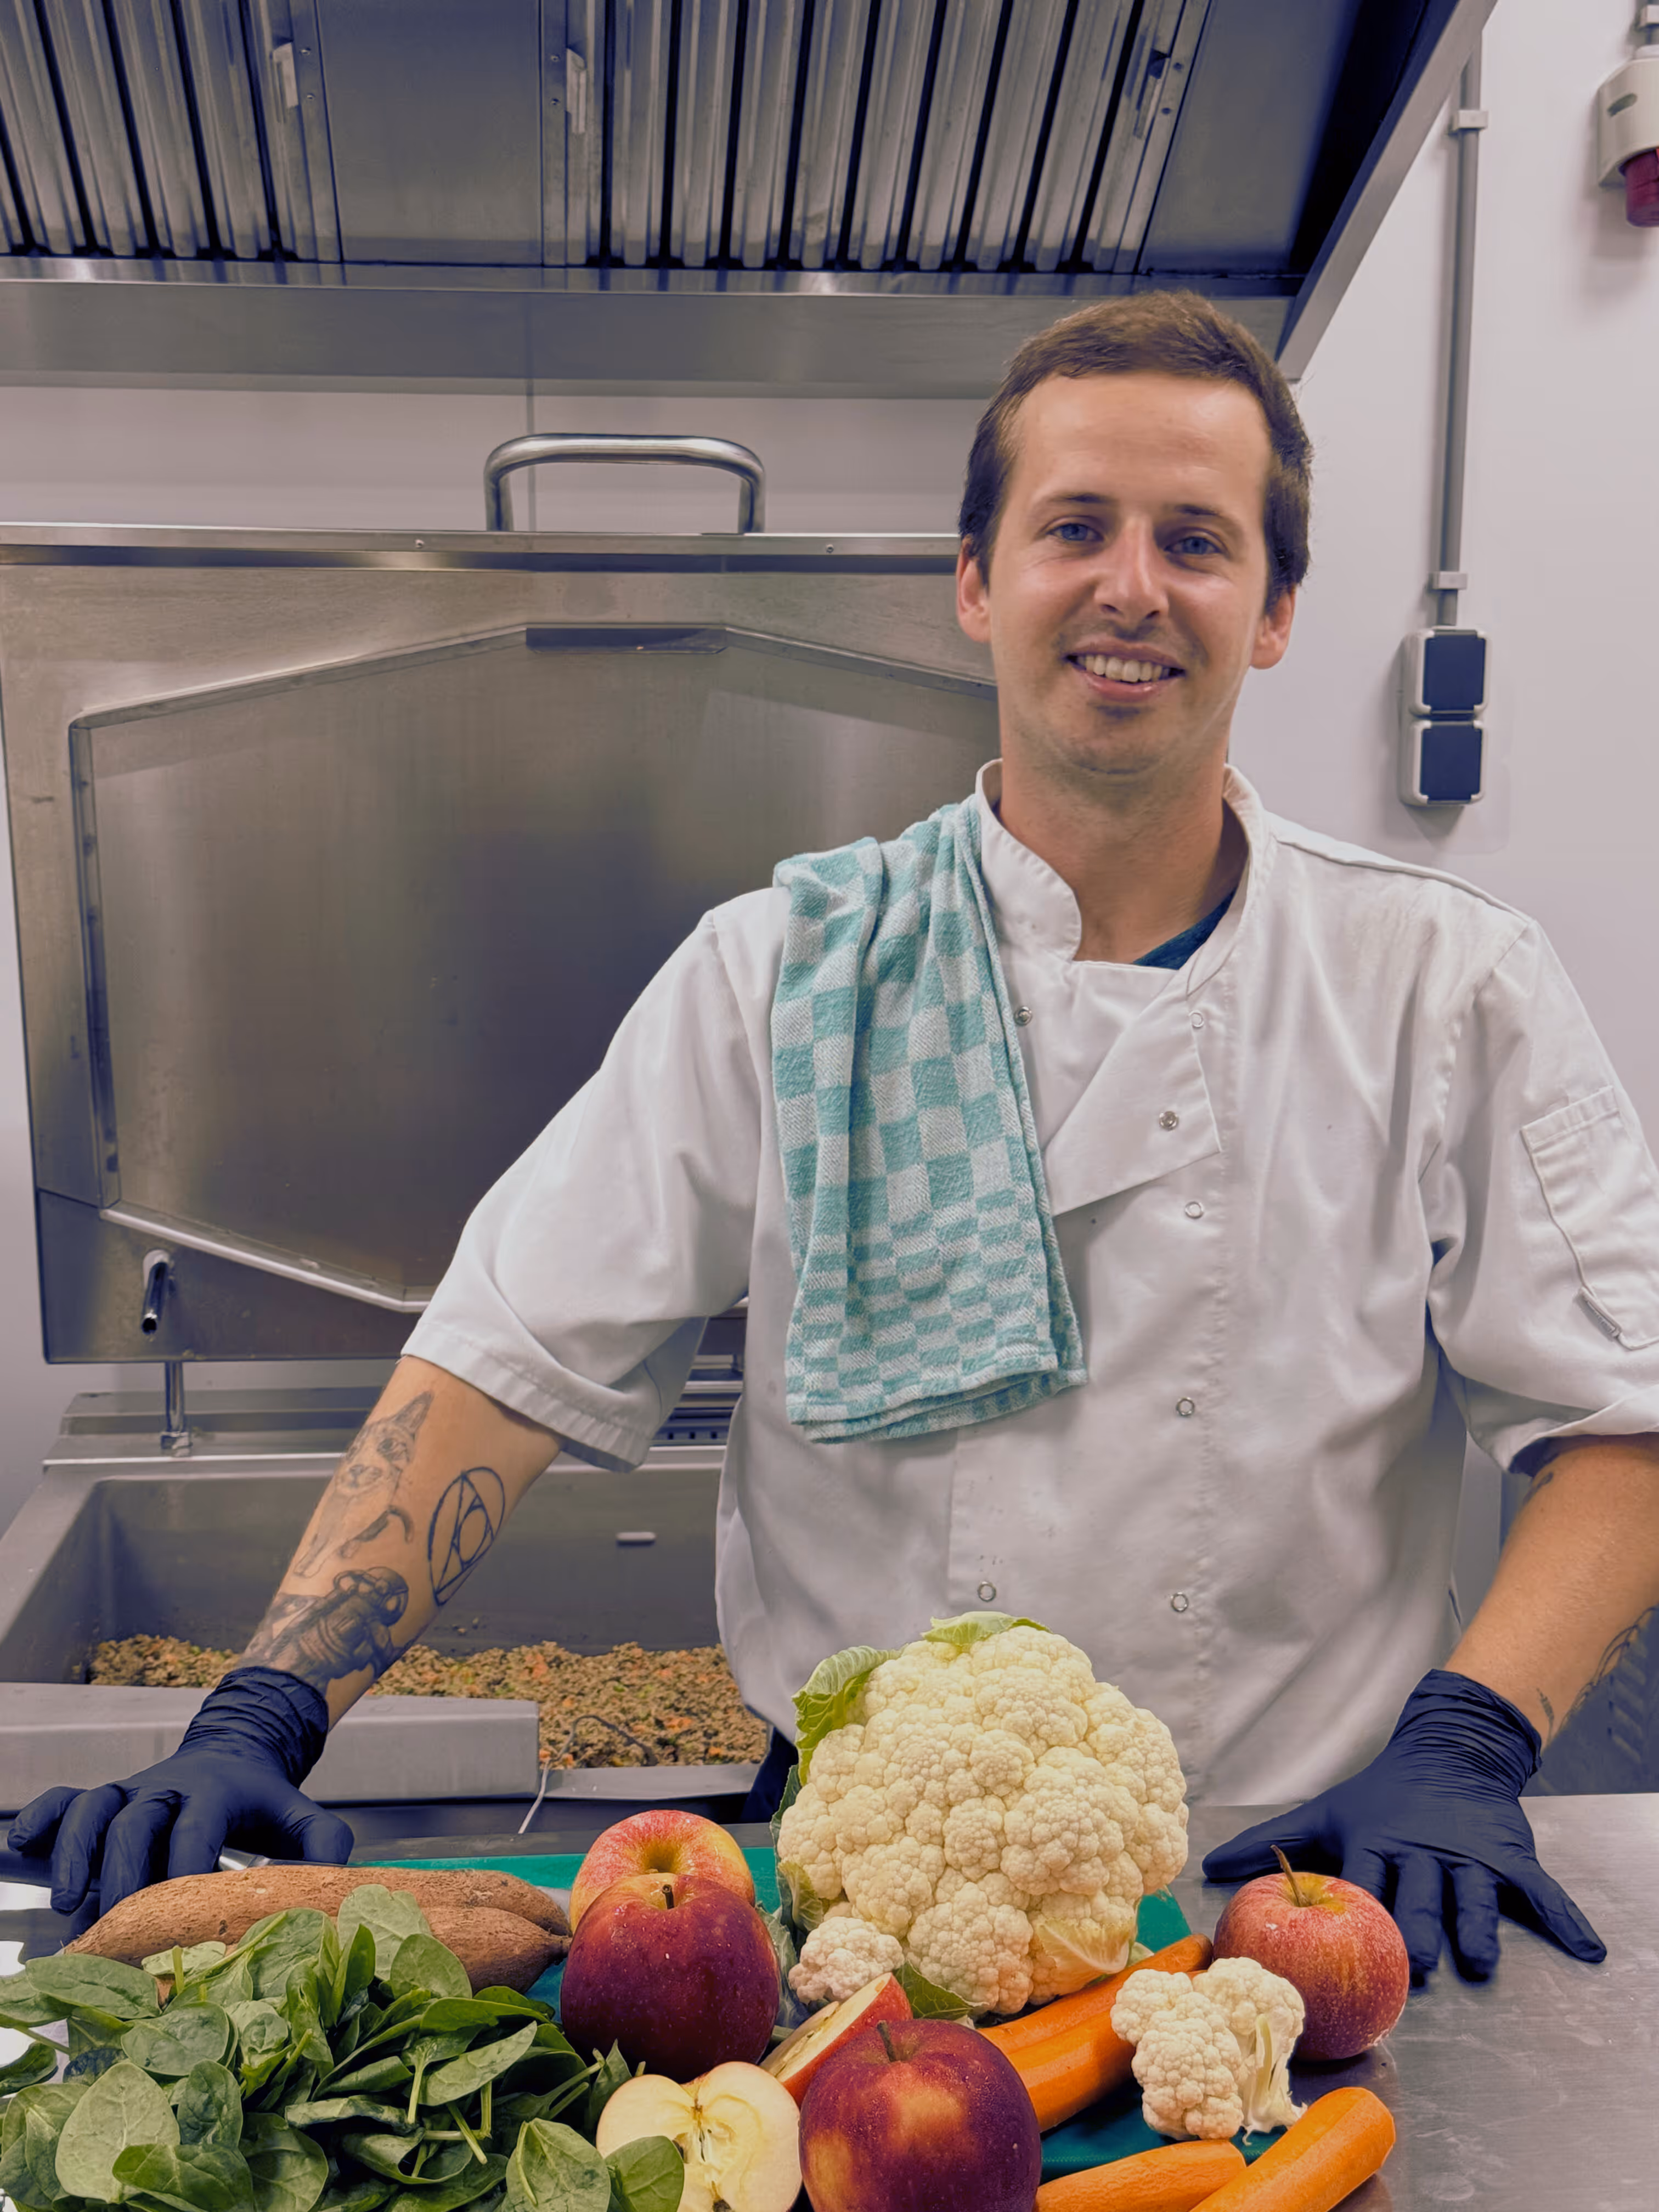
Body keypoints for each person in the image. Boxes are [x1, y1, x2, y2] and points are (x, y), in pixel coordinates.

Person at [15, 294, 1659, 1993]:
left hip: (1296, 1904)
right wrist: (264, 1712)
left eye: (1199, 540)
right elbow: (507, 1357)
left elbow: (1627, 1418)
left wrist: (1467, 1747)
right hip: (852, 1922)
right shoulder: (784, 974)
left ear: (1279, 610)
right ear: (975, 582)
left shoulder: (1443, 983)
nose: (1132, 588)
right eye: (1073, 528)